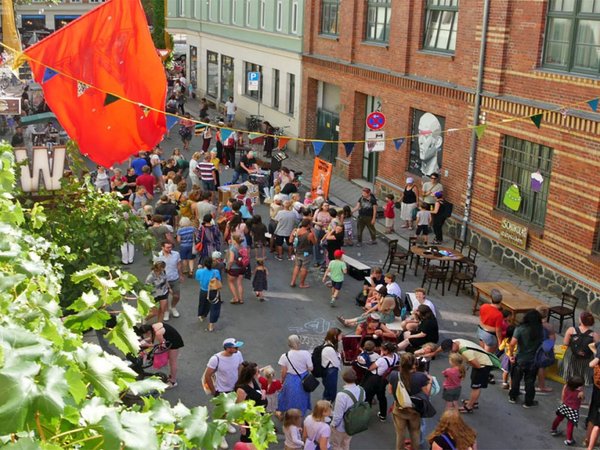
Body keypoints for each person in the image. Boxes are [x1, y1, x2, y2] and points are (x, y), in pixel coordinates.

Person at [438, 338, 496, 414]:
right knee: (474, 384)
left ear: (453, 344)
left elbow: (477, 366)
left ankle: (469, 406)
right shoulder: (458, 342)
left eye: (451, 349)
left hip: (483, 365)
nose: (451, 351)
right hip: (480, 362)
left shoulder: (466, 352)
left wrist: (468, 363)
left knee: (476, 387)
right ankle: (473, 401)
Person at [388, 353, 432, 450]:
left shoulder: (394, 375)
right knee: (415, 433)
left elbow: (390, 391)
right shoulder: (421, 377)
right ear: (414, 364)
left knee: (400, 435)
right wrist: (430, 382)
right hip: (414, 410)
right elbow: (427, 393)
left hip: (399, 409)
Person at [508, 310, 543, 408]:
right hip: (533, 360)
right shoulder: (540, 330)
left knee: (516, 379)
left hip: (520, 359)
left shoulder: (520, 329)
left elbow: (512, 344)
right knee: (530, 381)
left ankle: (513, 397)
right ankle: (528, 401)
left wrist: (511, 355)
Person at [135, 322, 184, 389]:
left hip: (174, 342)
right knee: (171, 360)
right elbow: (151, 338)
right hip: (171, 338)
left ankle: (173, 381)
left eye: (146, 334)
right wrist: (143, 341)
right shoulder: (154, 326)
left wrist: (146, 345)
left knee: (172, 362)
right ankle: (172, 376)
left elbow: (162, 345)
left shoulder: (158, 333)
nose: (146, 335)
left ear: (148, 332)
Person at [277, 335, 313, 415]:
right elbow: (311, 368)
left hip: (290, 380)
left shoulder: (284, 356)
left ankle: (289, 414)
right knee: (303, 398)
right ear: (299, 343)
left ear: (289, 344)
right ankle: (301, 414)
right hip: (304, 379)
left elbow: (283, 371)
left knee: (288, 397)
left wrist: (282, 381)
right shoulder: (306, 353)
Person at [363, 341, 398, 422]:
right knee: (381, 396)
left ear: (386, 351)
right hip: (384, 379)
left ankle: (365, 415)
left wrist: (380, 357)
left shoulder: (382, 360)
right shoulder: (396, 356)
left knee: (368, 396)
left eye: (382, 349)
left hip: (375, 379)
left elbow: (370, 368)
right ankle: (383, 415)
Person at [561, 311, 598, 387]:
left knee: (568, 380)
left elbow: (565, 343)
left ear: (581, 320)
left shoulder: (571, 330)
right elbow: (597, 349)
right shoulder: (595, 335)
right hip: (586, 360)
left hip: (572, 357)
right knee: (581, 381)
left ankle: (566, 395)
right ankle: (579, 396)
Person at [331, 368, 364, 450]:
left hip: (341, 426)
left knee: (336, 445)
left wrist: (333, 424)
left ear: (343, 378)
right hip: (353, 423)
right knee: (346, 442)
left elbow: (338, 415)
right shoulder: (362, 390)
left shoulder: (341, 395)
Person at [235, 361, 268, 444]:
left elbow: (257, 391)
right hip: (250, 421)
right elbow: (238, 409)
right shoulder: (242, 390)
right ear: (251, 374)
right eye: (257, 371)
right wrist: (242, 426)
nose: (259, 372)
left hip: (258, 417)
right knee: (250, 441)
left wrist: (262, 391)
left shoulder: (252, 380)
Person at [551, 375, 585, 446]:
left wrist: (563, 401)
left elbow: (563, 394)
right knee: (570, 424)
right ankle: (569, 440)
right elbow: (583, 399)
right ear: (578, 386)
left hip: (565, 406)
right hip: (573, 410)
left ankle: (553, 429)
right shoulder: (579, 393)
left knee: (558, 418)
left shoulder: (566, 386)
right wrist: (582, 393)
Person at [155, 241, 184, 321]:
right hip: (163, 280)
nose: (170, 249)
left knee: (176, 296)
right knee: (165, 297)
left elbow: (179, 264)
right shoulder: (157, 256)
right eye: (167, 247)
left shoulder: (176, 254)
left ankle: (173, 307)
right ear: (162, 247)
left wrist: (181, 274)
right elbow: (156, 269)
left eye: (171, 247)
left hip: (174, 277)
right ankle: (166, 311)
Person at [195, 256, 223, 332]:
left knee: (202, 303)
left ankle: (202, 315)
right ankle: (211, 325)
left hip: (203, 290)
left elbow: (197, 279)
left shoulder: (199, 271)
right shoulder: (215, 272)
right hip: (213, 291)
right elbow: (219, 280)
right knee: (215, 307)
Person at [478, 288, 504, 354]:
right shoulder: (499, 314)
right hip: (490, 335)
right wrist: (500, 342)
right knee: (487, 356)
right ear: (501, 300)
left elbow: (481, 318)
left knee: (481, 352)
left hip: (480, 331)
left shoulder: (483, 306)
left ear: (491, 299)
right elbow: (498, 330)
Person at [320, 328, 342, 402]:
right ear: (335, 336)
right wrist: (339, 356)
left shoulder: (327, 343)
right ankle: (326, 408)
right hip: (331, 372)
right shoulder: (330, 349)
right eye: (340, 335)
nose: (341, 337)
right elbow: (336, 363)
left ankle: (324, 406)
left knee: (327, 390)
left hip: (326, 370)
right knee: (331, 394)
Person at [227, 235, 246, 305]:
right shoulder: (242, 247)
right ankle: (241, 299)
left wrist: (228, 266)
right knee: (239, 283)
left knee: (231, 282)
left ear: (234, 240)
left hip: (234, 268)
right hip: (242, 267)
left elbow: (231, 260)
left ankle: (235, 298)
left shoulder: (233, 248)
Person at [312, 202, 333, 267]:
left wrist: (328, 226)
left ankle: (323, 261)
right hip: (318, 229)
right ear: (322, 206)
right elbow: (313, 220)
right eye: (325, 206)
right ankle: (316, 260)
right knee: (316, 245)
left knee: (324, 245)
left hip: (326, 230)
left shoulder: (330, 212)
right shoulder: (318, 211)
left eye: (327, 205)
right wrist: (317, 223)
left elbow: (333, 221)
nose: (326, 207)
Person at [499, 325, 516, 390]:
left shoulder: (506, 340)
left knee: (506, 371)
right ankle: (511, 387)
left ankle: (504, 383)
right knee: (512, 374)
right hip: (513, 357)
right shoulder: (516, 341)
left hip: (506, 357)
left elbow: (500, 348)